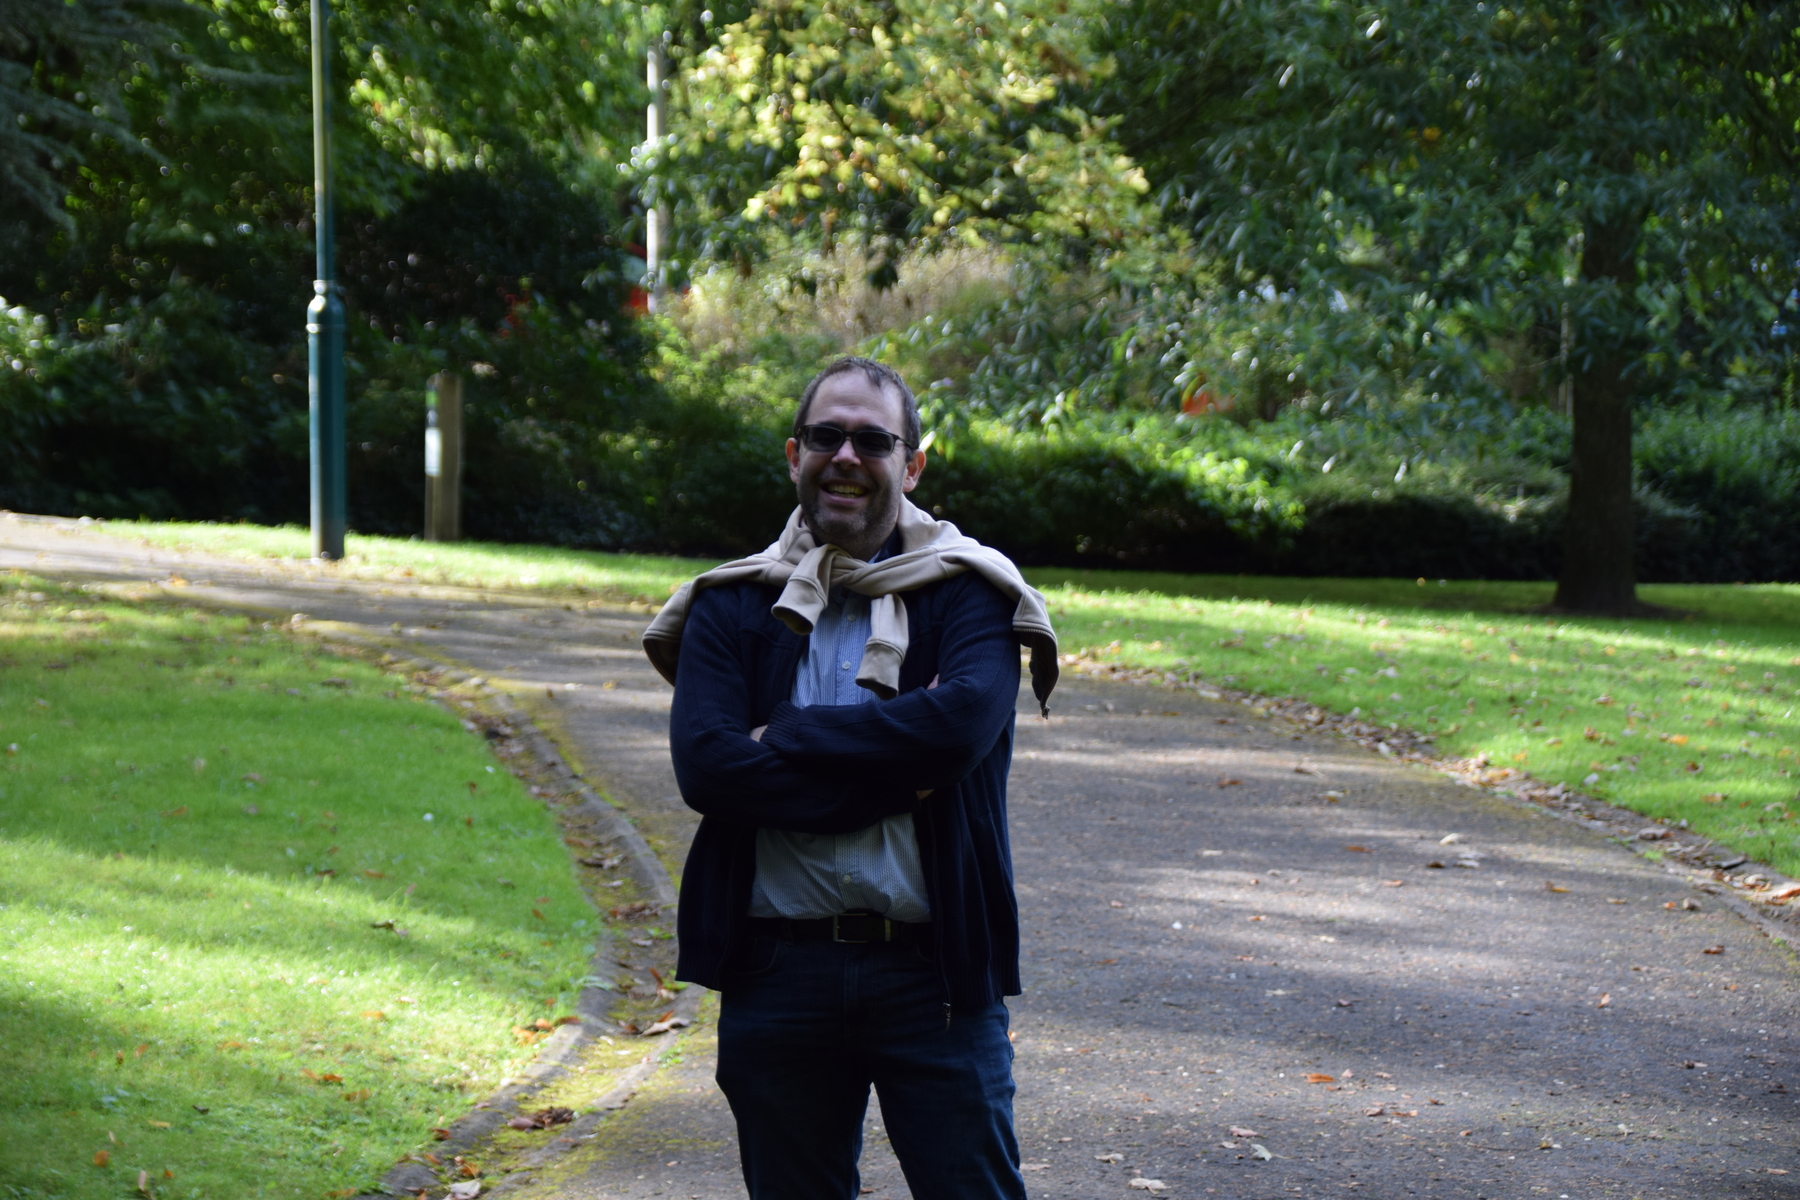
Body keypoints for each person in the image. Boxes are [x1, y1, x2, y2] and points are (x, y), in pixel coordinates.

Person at [641, 356, 1060, 1200]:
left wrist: (789, 734)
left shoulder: (973, 596)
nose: (845, 456)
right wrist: (898, 779)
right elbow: (711, 769)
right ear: (793, 454)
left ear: (911, 466)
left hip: (934, 977)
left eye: (872, 440)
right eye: (826, 436)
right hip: (777, 974)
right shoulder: (730, 603)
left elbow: (956, 730)